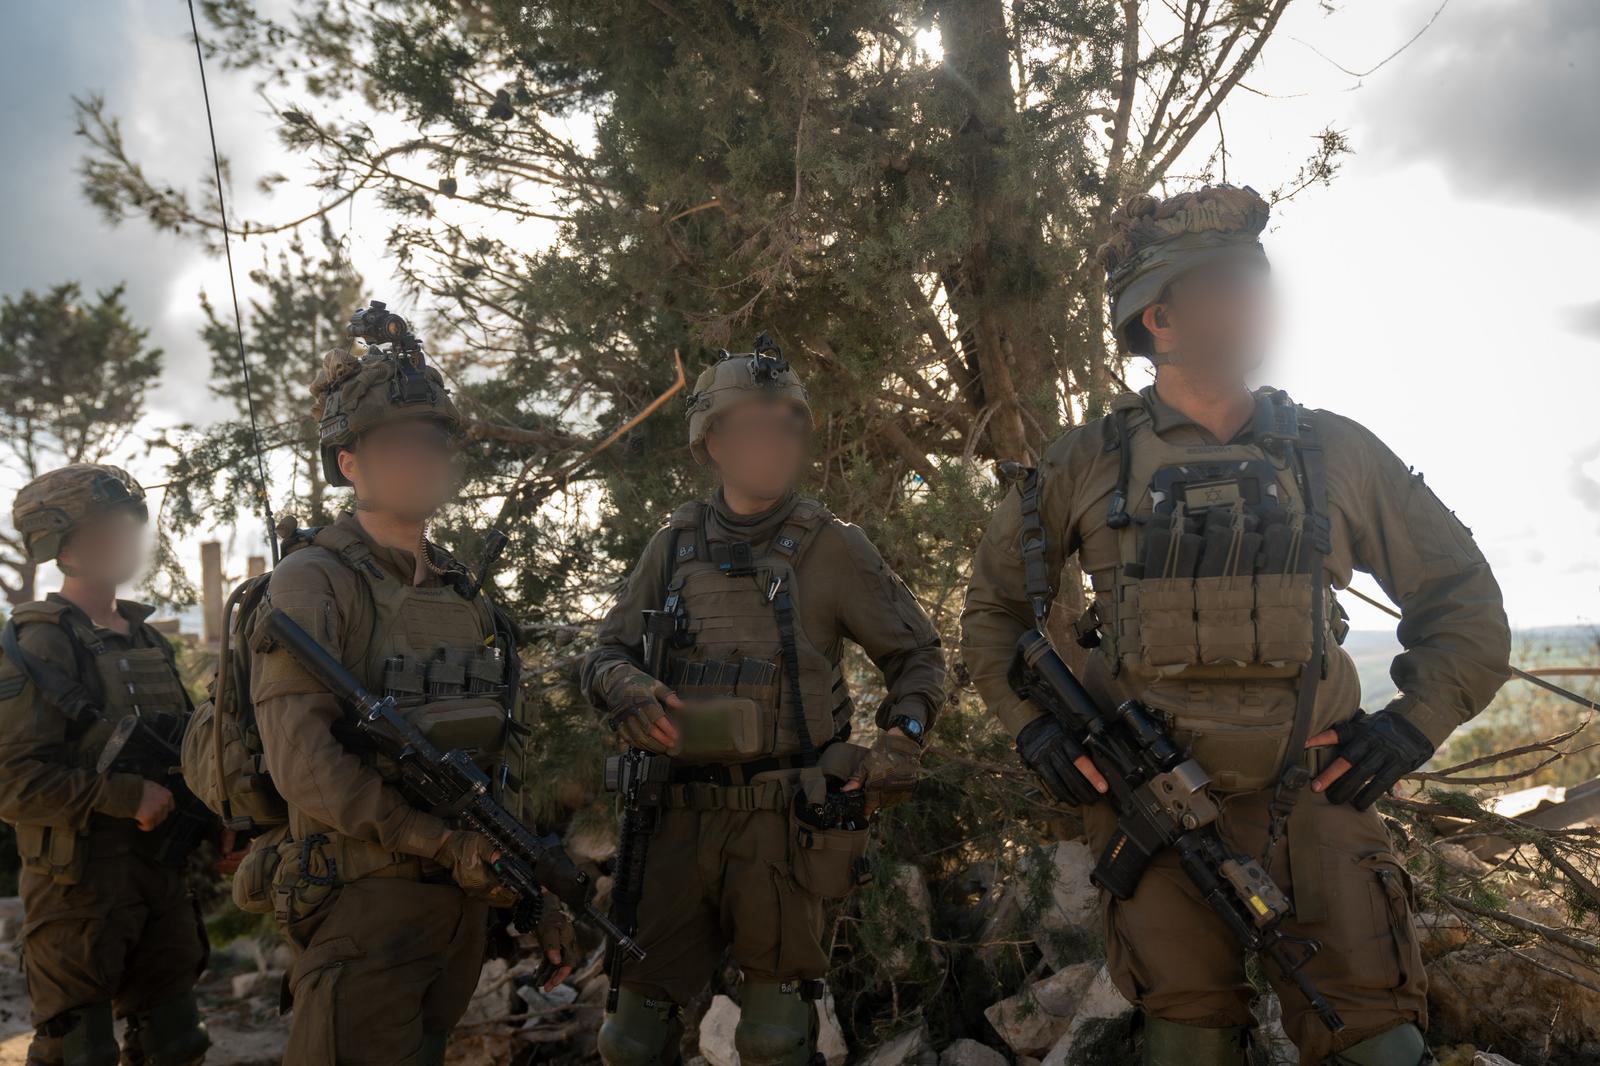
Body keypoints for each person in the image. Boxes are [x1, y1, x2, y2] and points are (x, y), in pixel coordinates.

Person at [960, 185, 1511, 1066]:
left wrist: (1412, 726)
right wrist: (1033, 731)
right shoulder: (1086, 462)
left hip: (1318, 803)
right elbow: (993, 613)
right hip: (1152, 809)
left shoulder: (1333, 452)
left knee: (1380, 1045)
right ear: (1160, 318)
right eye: (1228, 287)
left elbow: (1463, 599)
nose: (1257, 304)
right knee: (1189, 1041)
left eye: (1258, 284)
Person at [584, 337, 946, 1066]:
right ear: (713, 441)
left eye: (785, 428)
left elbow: (919, 656)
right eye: (752, 428)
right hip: (673, 821)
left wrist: (902, 739)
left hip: (782, 829)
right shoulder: (672, 547)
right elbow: (604, 655)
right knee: (630, 1039)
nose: (771, 445)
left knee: (775, 1038)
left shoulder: (833, 547)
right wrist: (625, 687)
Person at [249, 334, 574, 1064]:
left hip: (458, 907)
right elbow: (304, 763)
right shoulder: (313, 580)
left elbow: (501, 753)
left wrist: (536, 890)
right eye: (396, 445)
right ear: (349, 463)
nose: (419, 461)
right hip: (365, 904)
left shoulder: (462, 592)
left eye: (431, 444)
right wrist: (441, 842)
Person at [0, 464, 211, 1066]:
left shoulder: (147, 639)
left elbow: (187, 748)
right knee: (79, 1054)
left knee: (178, 1044)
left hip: (161, 876)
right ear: (63, 548)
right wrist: (125, 796)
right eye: (106, 529)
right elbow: (12, 781)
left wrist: (217, 816)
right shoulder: (41, 642)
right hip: (78, 891)